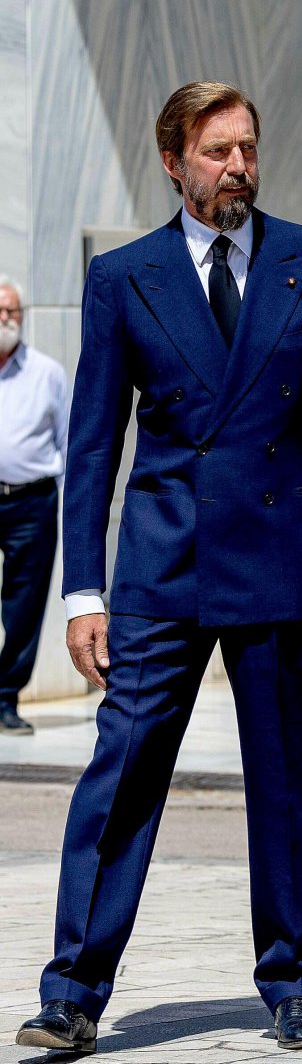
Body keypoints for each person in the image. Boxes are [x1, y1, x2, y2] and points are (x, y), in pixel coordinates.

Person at [16, 81, 302, 1057]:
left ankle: (294, 978)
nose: (238, 169)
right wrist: (83, 591)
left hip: (283, 558)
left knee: (287, 776)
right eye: (218, 152)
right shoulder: (125, 275)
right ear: (174, 161)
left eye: (248, 149)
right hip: (162, 567)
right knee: (123, 768)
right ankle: (74, 990)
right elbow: (93, 444)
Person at [0, 277, 71, 735]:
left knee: (25, 605)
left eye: (14, 311)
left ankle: (5, 697)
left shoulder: (47, 372)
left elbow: (69, 439)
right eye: (0, 311)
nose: (8, 319)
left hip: (31, 503)